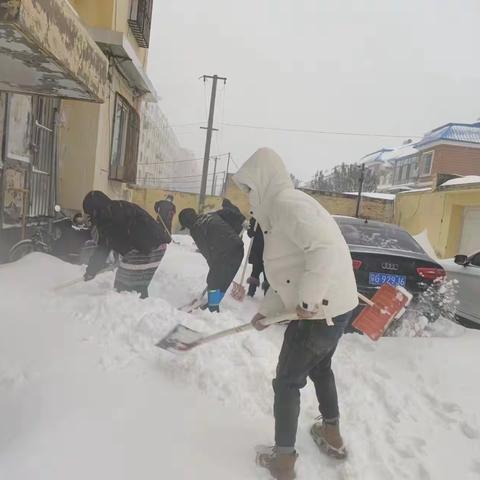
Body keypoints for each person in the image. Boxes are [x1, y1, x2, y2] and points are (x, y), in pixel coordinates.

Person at [233, 148, 358, 480]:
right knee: (320, 367)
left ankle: (283, 461)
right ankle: (331, 434)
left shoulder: (289, 205)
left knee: (287, 381)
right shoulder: (278, 213)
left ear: (263, 180)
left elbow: (325, 251)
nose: (247, 196)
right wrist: (266, 313)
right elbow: (288, 274)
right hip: (333, 309)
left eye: (249, 187)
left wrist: (307, 302)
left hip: (320, 312)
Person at [83, 191, 171, 299]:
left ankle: (137, 310)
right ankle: (142, 308)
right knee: (135, 287)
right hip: (158, 246)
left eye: (89, 214)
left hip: (144, 250)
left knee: (125, 288)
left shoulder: (106, 219)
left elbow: (103, 249)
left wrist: (91, 271)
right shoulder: (117, 206)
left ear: (94, 211)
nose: (89, 217)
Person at [178, 208, 244, 312]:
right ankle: (213, 304)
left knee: (213, 281)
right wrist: (242, 221)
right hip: (238, 249)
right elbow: (229, 212)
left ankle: (212, 310)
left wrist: (213, 269)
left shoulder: (196, 229)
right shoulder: (211, 215)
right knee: (224, 280)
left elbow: (207, 253)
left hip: (225, 253)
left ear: (187, 223)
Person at [246, 216, 268, 297]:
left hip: (268, 250)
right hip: (257, 251)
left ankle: (267, 295)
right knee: (255, 271)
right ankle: (251, 293)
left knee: (267, 275)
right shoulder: (256, 217)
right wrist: (250, 232)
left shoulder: (272, 218)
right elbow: (249, 229)